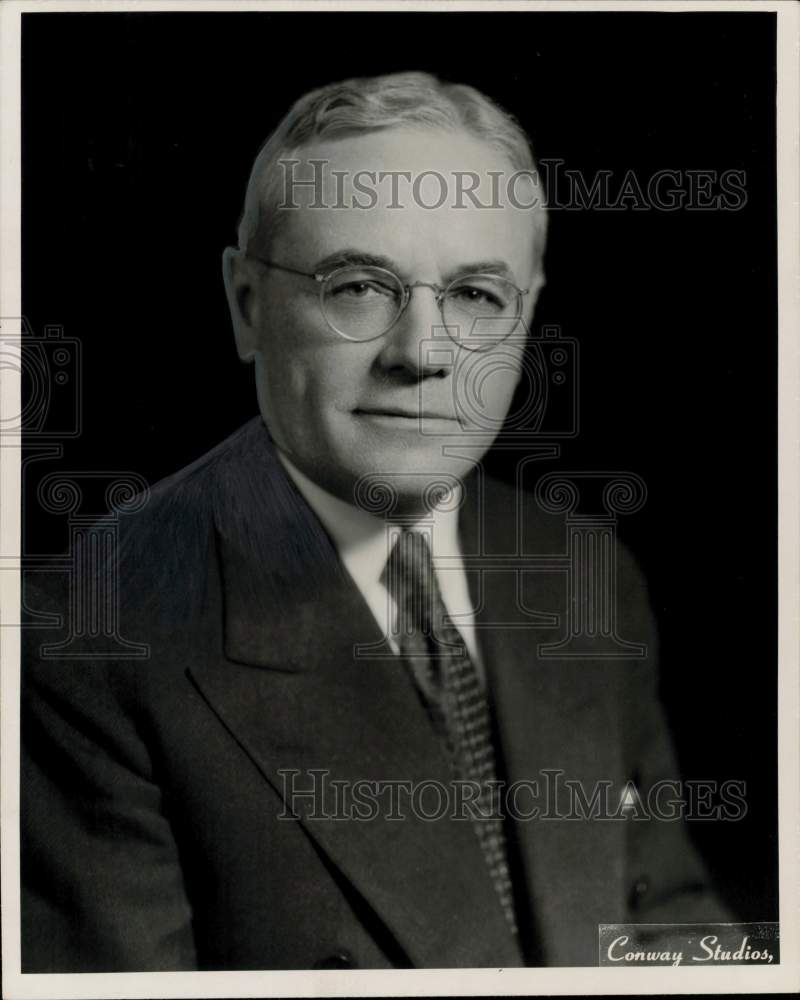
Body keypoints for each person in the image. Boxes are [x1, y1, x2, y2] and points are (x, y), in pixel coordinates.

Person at [21, 71, 729, 972]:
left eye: (476, 296)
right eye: (358, 286)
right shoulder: (86, 643)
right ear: (247, 306)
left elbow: (664, 919)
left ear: (528, 315)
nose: (423, 354)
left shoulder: (582, 569)